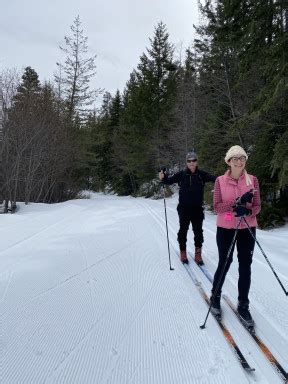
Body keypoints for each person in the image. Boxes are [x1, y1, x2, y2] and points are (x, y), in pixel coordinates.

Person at [210, 145, 261, 327]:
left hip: (247, 228)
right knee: (225, 261)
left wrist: (247, 213)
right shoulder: (220, 181)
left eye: (242, 158)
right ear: (229, 161)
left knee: (245, 265)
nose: (239, 161)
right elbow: (217, 206)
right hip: (226, 228)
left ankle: (243, 304)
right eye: (235, 158)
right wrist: (236, 203)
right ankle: (215, 296)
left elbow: (257, 206)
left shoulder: (252, 180)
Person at [159, 152, 216, 265]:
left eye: (193, 160)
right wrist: (163, 176)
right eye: (189, 161)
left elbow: (217, 179)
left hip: (197, 209)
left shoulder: (202, 175)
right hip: (184, 208)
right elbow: (167, 181)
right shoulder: (181, 174)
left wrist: (228, 176)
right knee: (183, 231)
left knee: (198, 232)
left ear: (196, 161)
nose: (191, 163)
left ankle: (198, 253)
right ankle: (183, 251)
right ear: (186, 162)